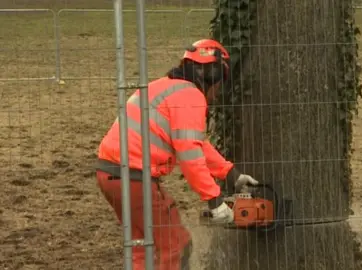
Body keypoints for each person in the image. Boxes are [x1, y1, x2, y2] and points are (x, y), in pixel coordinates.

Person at [95, 39, 259, 270]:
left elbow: (195, 142)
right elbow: (190, 154)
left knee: (144, 247)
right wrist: (215, 200)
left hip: (111, 173)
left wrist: (229, 173)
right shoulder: (190, 98)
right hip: (133, 178)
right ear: (212, 74)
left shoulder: (166, 87)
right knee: (177, 246)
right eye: (220, 82)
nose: (218, 90)